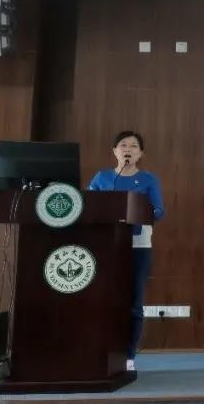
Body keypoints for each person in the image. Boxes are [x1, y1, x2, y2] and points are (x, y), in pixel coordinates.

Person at [87, 130, 165, 372]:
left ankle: (129, 355)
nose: (128, 149)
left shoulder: (148, 179)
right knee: (102, 299)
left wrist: (139, 213)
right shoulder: (102, 177)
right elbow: (88, 205)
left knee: (134, 302)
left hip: (137, 245)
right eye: (123, 145)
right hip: (106, 245)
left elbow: (159, 210)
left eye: (133, 146)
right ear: (115, 151)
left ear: (140, 153)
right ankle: (101, 351)